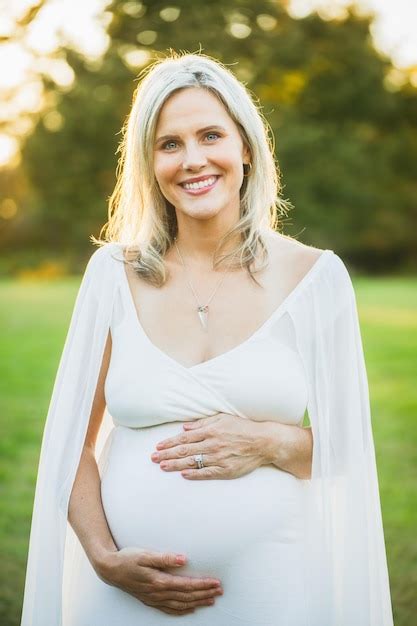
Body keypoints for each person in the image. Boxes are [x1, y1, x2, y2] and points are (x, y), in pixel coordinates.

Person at [20, 51, 394, 625]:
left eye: (210, 135)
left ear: (245, 146)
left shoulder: (317, 279)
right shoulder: (112, 275)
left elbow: (348, 450)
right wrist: (102, 557)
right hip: (122, 597)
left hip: (272, 588)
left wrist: (269, 442)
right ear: (149, 163)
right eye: (169, 144)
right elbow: (71, 441)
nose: (193, 160)